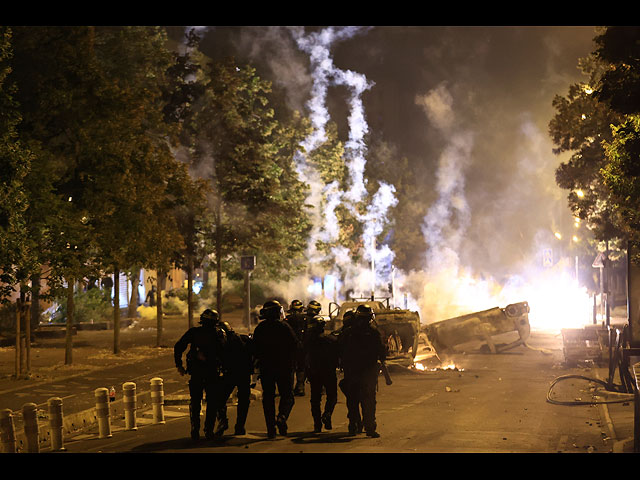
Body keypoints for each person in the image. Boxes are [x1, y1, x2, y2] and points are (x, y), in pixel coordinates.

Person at [174, 308, 227, 441]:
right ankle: (208, 430)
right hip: (212, 373)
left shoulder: (194, 332)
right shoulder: (219, 334)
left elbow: (179, 346)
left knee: (196, 402)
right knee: (211, 403)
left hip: (197, 373)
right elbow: (225, 353)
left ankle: (195, 430)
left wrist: (179, 365)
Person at [337, 304, 386, 438]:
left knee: (352, 400)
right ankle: (369, 428)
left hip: (352, 371)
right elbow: (381, 351)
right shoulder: (373, 332)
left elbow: (339, 349)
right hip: (368, 372)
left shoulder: (348, 332)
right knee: (368, 400)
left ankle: (353, 426)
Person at [252, 300, 298, 439]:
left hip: (267, 368)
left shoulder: (260, 328)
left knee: (268, 398)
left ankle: (271, 429)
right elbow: (295, 345)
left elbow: (254, 349)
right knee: (287, 396)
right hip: (284, 367)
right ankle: (282, 416)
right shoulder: (285, 327)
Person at [216, 321, 254, 436]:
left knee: (220, 399)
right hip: (244, 374)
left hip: (229, 373)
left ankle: (223, 420)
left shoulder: (222, 342)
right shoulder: (243, 339)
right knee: (243, 401)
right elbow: (255, 352)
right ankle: (240, 426)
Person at [304, 315, 339, 433]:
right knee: (332, 396)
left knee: (315, 400)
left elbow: (303, 357)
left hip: (314, 373)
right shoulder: (331, 340)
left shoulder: (308, 343)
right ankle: (327, 413)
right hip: (329, 372)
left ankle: (317, 424)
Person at [285, 299, 307, 396]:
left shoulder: (287, 319)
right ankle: (300, 387)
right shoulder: (305, 319)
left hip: (290, 347)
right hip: (302, 347)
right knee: (301, 367)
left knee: (290, 367)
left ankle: (288, 389)